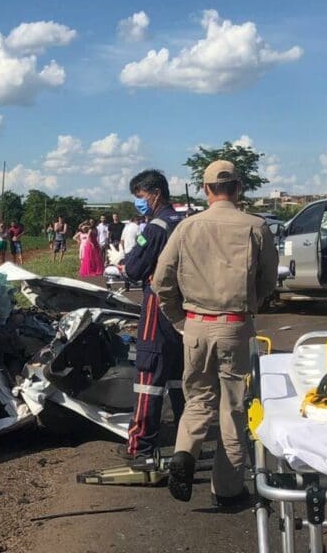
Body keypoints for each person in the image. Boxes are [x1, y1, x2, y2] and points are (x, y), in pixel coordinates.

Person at [152, 160, 278, 507]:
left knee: (198, 399)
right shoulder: (256, 226)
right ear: (239, 188)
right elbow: (269, 279)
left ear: (206, 189)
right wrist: (252, 303)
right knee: (233, 408)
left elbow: (161, 281)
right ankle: (227, 489)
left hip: (195, 323)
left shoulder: (186, 227)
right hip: (235, 324)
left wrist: (180, 320)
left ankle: (184, 452)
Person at [121, 169, 185, 472]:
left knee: (149, 370)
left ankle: (141, 444)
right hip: (183, 306)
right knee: (179, 372)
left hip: (157, 302)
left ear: (156, 193)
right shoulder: (183, 223)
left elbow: (134, 269)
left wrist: (124, 265)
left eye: (141, 196)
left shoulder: (156, 227)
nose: (139, 202)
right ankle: (187, 441)